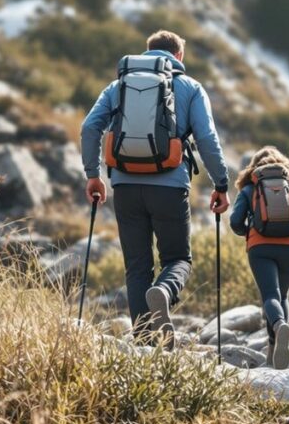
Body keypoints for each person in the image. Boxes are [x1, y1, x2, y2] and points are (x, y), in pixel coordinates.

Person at [81, 30, 230, 345]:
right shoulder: (190, 87)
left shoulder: (118, 85)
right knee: (178, 259)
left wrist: (93, 174)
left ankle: (146, 343)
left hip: (124, 186)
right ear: (179, 57)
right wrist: (221, 183)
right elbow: (207, 139)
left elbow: (90, 127)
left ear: (147, 52)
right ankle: (163, 291)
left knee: (137, 267)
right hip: (169, 187)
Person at [230, 146, 289, 369]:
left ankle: (280, 326)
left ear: (254, 169)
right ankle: (275, 349)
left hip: (260, 248)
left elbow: (234, 222)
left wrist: (249, 231)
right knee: (283, 296)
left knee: (270, 295)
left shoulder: (249, 190)